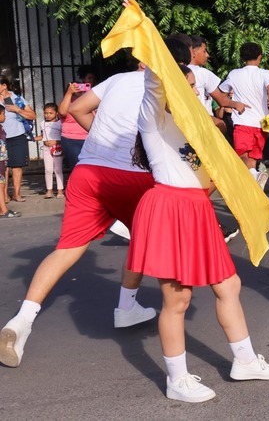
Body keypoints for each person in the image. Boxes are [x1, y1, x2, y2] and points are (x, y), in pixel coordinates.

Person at [128, 63, 269, 402]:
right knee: (178, 299)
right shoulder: (153, 122)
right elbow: (154, 89)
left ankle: (244, 361)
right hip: (170, 209)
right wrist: (156, 59)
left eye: (194, 87)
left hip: (197, 209)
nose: (193, 92)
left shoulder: (197, 127)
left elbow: (222, 176)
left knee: (229, 284)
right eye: (185, 86)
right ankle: (177, 379)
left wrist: (253, 199)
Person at [0, 56, 157, 369]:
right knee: (144, 238)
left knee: (67, 248)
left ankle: (21, 320)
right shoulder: (167, 85)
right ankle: (127, 306)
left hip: (88, 169)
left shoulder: (117, 80)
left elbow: (75, 109)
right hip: (134, 174)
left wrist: (101, 139)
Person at [218, 42, 269, 189]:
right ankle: (256, 184)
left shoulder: (234, 74)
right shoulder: (266, 74)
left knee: (243, 156)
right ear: (260, 57)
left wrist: (234, 103)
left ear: (242, 57)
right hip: (263, 123)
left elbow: (222, 95)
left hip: (243, 121)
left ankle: (255, 176)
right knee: (253, 158)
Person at [0, 75, 36, 203]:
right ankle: (4, 195)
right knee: (3, 167)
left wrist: (17, 109)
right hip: (1, 138)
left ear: (4, 86)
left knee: (17, 166)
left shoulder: (17, 99)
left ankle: (17, 193)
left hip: (18, 135)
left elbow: (32, 115)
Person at [58, 66, 98, 171]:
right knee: (77, 167)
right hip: (72, 140)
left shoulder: (86, 100)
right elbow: (62, 112)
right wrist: (69, 93)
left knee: (90, 167)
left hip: (89, 138)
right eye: (76, 87)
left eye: (80, 87)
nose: (78, 89)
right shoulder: (67, 102)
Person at [34, 102, 64, 198]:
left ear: (56, 113)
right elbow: (42, 136)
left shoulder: (60, 123)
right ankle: (49, 190)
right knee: (48, 169)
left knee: (58, 169)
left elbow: (63, 136)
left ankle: (60, 191)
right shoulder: (42, 123)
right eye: (46, 113)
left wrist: (56, 142)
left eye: (50, 113)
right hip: (46, 149)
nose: (48, 115)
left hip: (57, 148)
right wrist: (32, 138)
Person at [0, 104, 20, 217]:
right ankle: (4, 210)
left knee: (2, 184)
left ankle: (2, 209)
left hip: (2, 159)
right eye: (3, 114)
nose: (5, 117)